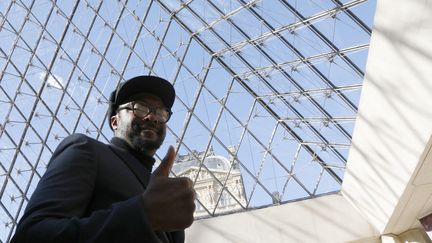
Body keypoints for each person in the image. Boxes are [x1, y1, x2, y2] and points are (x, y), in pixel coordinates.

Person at [11, 76, 196, 243]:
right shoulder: (86, 149)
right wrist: (143, 214)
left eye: (161, 113)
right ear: (115, 121)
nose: (153, 117)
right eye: (139, 108)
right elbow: (31, 235)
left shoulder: (163, 191)